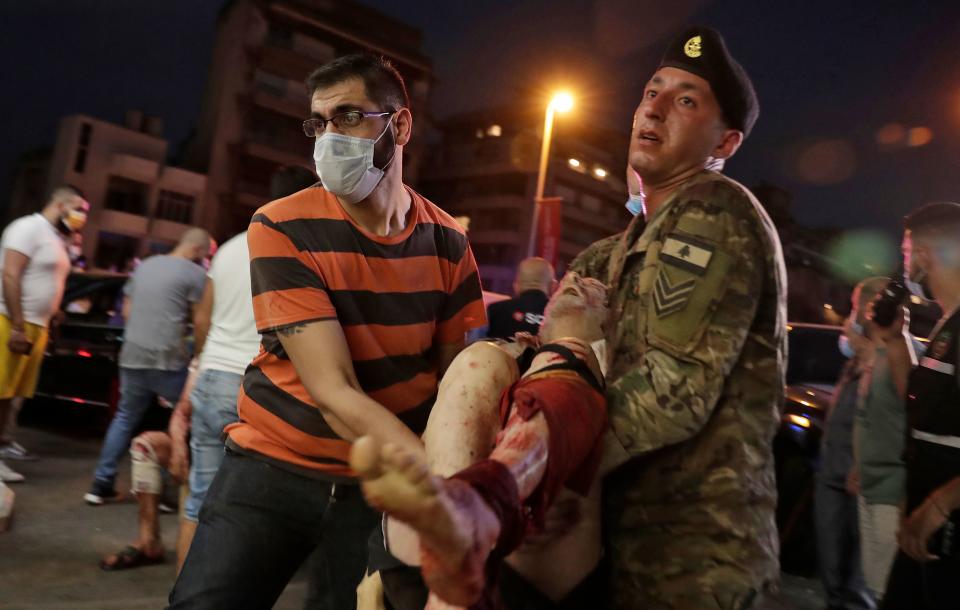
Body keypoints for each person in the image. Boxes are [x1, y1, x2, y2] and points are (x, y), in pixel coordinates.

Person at [167, 54, 485, 610]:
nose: (328, 137)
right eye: (319, 122)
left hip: (379, 488)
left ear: (399, 126)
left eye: (347, 117)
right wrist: (436, 487)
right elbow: (333, 389)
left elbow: (456, 381)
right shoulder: (281, 225)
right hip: (272, 467)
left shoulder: (449, 244)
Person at [570, 26, 787, 609]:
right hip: (626, 548)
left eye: (686, 100)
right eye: (651, 92)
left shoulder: (716, 210)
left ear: (728, 141)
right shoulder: (628, 243)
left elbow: (669, 392)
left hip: (693, 565)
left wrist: (536, 465)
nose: (655, 107)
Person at [98, 166, 317, 571]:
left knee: (200, 499)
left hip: (213, 377)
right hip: (263, 387)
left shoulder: (233, 246)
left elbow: (202, 319)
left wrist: (204, 362)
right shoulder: (304, 245)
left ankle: (190, 597)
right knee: (260, 505)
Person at [353, 271, 609, 610]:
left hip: (526, 572)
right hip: (426, 551)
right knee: (481, 360)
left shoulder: (610, 386)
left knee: (568, 365)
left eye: (595, 292)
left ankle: (477, 510)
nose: (575, 280)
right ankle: (468, 509)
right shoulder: (496, 362)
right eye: (565, 284)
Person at [871, 203, 960, 610]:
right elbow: (924, 407)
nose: (904, 266)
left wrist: (943, 502)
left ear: (924, 253)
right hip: (928, 501)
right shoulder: (947, 322)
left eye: (906, 253)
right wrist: (894, 340)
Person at [85, 227, 212, 504]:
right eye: (207, 254)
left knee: (124, 417)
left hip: (133, 355)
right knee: (185, 419)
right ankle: (170, 492)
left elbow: (127, 310)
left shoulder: (146, 266)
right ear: (197, 250)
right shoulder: (196, 274)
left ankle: (100, 485)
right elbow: (200, 320)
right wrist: (199, 355)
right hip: (167, 360)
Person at [0, 186, 89, 482]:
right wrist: (16, 324)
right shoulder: (27, 228)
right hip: (11, 321)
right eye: (78, 208)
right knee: (0, 393)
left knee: (11, 396)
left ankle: (1, 450)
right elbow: (10, 274)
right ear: (61, 204)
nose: (81, 216)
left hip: (37, 325)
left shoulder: (57, 238)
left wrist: (52, 316)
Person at [815, 279, 882, 610]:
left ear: (872, 311)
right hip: (832, 473)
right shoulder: (855, 358)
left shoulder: (892, 357)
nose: (850, 317)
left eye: (857, 308)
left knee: (859, 585)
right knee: (832, 571)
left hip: (864, 482)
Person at [851, 278, 913, 603]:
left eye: (874, 303)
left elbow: (912, 420)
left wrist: (906, 493)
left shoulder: (897, 353)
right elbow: (865, 419)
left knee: (886, 586)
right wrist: (858, 466)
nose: (868, 309)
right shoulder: (873, 356)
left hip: (891, 487)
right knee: (874, 586)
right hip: (870, 483)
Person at [485, 257, 556, 339]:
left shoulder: (493, 311)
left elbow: (473, 347)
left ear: (516, 285)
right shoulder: (560, 318)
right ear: (553, 286)